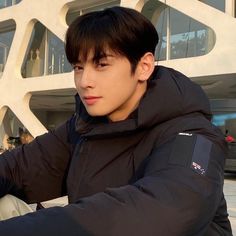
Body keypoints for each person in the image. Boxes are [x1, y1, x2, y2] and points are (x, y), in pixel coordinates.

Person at [0, 6, 232, 236]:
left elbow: (165, 211)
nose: (84, 81)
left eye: (101, 65)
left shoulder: (195, 135)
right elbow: (18, 167)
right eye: (78, 67)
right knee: (5, 205)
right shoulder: (83, 126)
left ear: (143, 67)